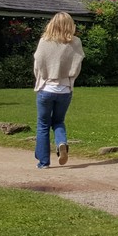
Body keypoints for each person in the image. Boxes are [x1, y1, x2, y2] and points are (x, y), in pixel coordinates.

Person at [33, 12, 84, 169]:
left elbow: (38, 64)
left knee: (43, 124)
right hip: (65, 89)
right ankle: (61, 142)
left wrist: (41, 79)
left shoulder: (44, 41)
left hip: (46, 87)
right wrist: (70, 80)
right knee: (58, 121)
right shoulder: (75, 42)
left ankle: (43, 162)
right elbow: (77, 66)